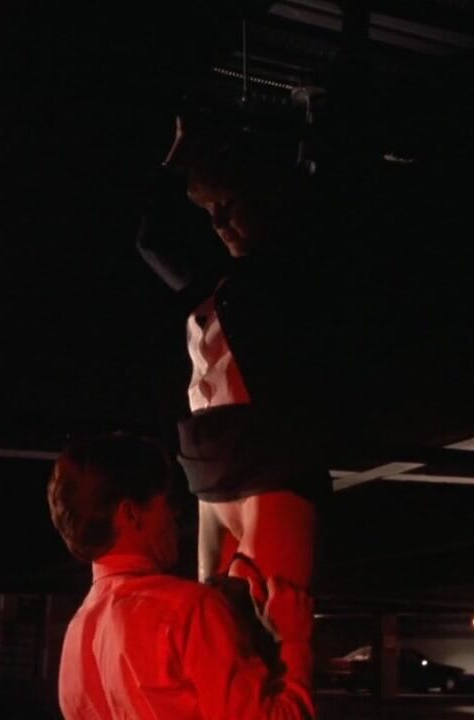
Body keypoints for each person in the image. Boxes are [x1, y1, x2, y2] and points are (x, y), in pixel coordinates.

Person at [136, 113, 332, 607]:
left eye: (228, 207)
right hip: (218, 466)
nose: (219, 222)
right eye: (212, 212)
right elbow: (152, 242)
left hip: (261, 463)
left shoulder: (290, 274)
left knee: (257, 613)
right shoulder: (221, 282)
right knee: (224, 614)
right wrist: (176, 160)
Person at [46, 432, 316, 720]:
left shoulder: (74, 643)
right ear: (131, 514)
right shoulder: (187, 611)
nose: (174, 515)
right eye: (165, 503)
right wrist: (294, 640)